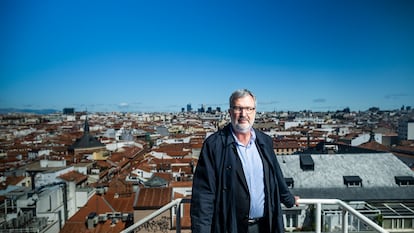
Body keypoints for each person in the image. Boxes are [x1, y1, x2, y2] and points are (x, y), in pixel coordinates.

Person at [190, 89, 299, 233]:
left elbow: (276, 176)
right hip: (231, 227)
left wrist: (289, 200)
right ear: (229, 112)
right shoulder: (214, 145)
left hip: (264, 226)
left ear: (255, 112)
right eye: (238, 108)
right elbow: (204, 195)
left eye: (249, 108)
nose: (244, 114)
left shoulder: (264, 141)